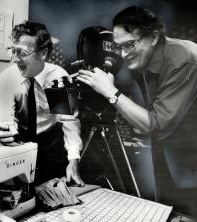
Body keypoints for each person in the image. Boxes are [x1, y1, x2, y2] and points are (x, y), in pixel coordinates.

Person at [78, 5, 197, 218]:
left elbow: (157, 125)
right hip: (172, 163)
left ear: (153, 37)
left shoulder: (182, 58)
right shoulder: (145, 61)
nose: (123, 55)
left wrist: (110, 93)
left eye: (130, 45)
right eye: (118, 47)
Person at [0, 21, 84, 186]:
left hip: (51, 143)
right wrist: (3, 131)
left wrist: (73, 159)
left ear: (43, 53)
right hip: (20, 143)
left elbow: (68, 121)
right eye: (12, 51)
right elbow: (3, 119)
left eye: (21, 52)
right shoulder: (6, 79)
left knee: (54, 192)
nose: (14, 59)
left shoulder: (57, 78)